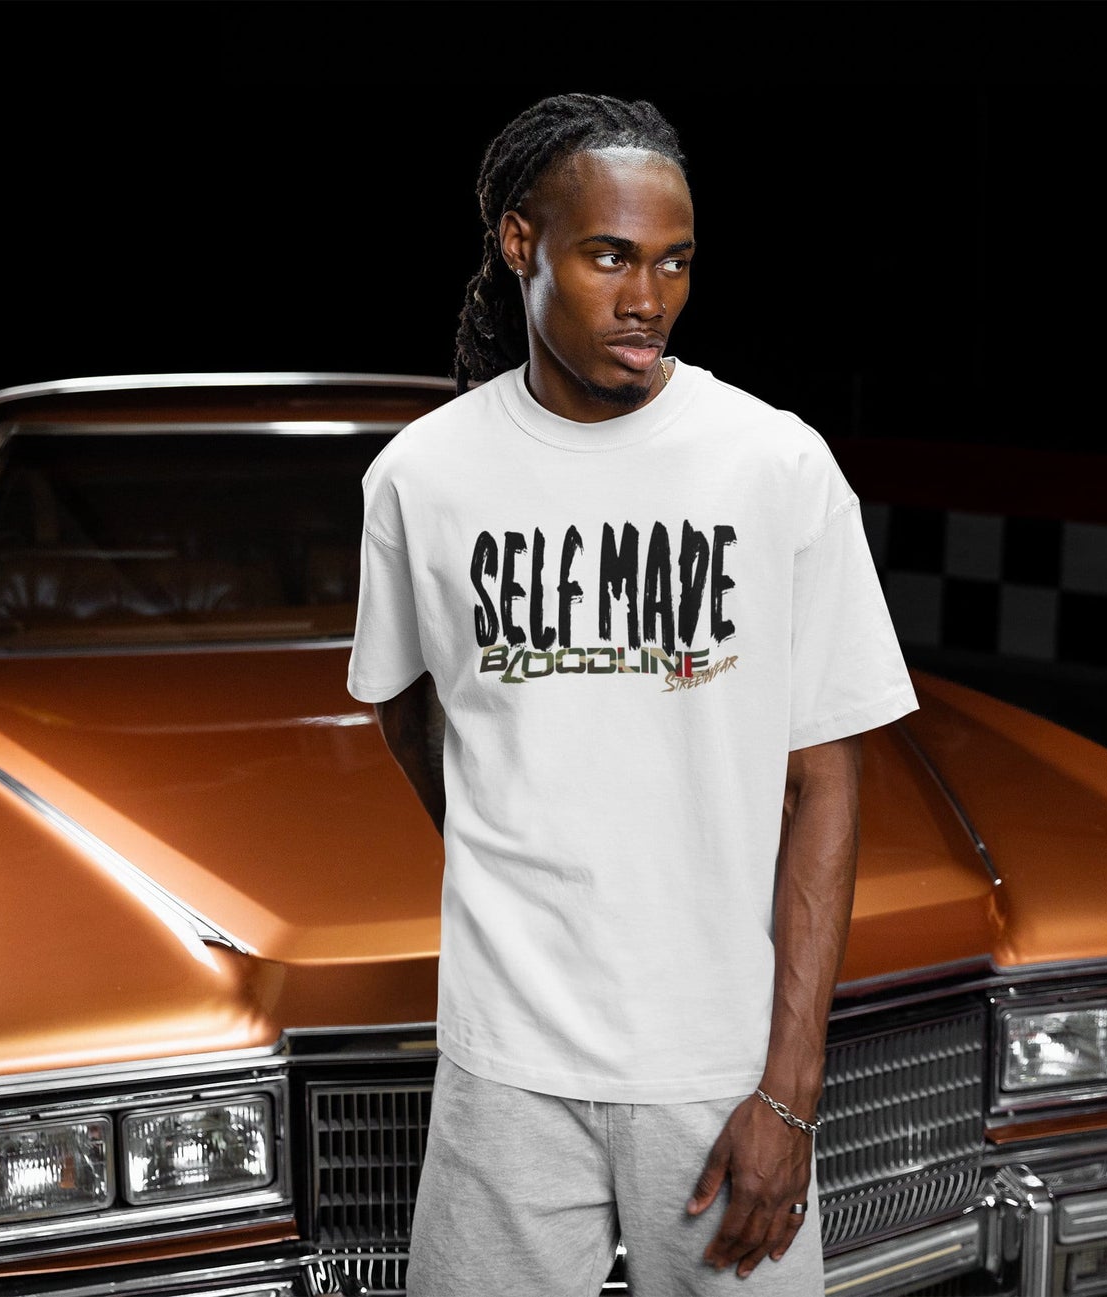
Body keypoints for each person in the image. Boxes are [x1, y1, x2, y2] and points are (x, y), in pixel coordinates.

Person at [344, 92, 919, 1294]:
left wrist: (789, 1096)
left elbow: (823, 784)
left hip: (715, 1067)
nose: (646, 297)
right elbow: (408, 713)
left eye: (673, 262)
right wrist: (516, 848)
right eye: (609, 256)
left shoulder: (773, 464)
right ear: (519, 246)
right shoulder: (422, 479)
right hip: (503, 1065)